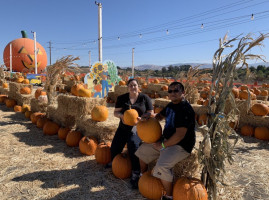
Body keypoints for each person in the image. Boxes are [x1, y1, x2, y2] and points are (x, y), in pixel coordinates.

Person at [135, 81, 196, 200]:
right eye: (170, 91)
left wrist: (162, 145)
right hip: (166, 141)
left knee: (161, 166)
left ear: (183, 92)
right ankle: (144, 177)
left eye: (176, 91)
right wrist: (148, 117)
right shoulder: (171, 105)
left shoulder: (185, 109)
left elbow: (179, 135)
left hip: (181, 146)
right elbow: (159, 117)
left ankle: (169, 196)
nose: (172, 93)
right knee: (142, 152)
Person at [107, 78, 154, 189]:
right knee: (114, 148)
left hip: (138, 128)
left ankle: (135, 171)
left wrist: (143, 117)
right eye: (131, 85)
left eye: (135, 85)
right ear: (128, 87)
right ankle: (115, 163)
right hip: (123, 127)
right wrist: (122, 116)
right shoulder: (122, 98)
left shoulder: (144, 98)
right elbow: (115, 112)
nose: (133, 87)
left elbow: (151, 113)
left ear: (138, 86)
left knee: (133, 145)